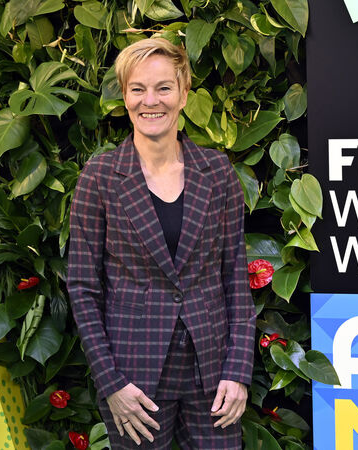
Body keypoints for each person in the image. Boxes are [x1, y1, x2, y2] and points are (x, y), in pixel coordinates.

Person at [67, 37, 256, 449]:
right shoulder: (100, 177)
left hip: (214, 377)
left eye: (164, 88)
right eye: (138, 89)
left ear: (184, 94)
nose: (150, 101)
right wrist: (111, 382)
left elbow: (234, 277)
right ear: (125, 97)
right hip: (134, 379)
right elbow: (82, 287)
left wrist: (238, 370)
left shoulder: (217, 171)